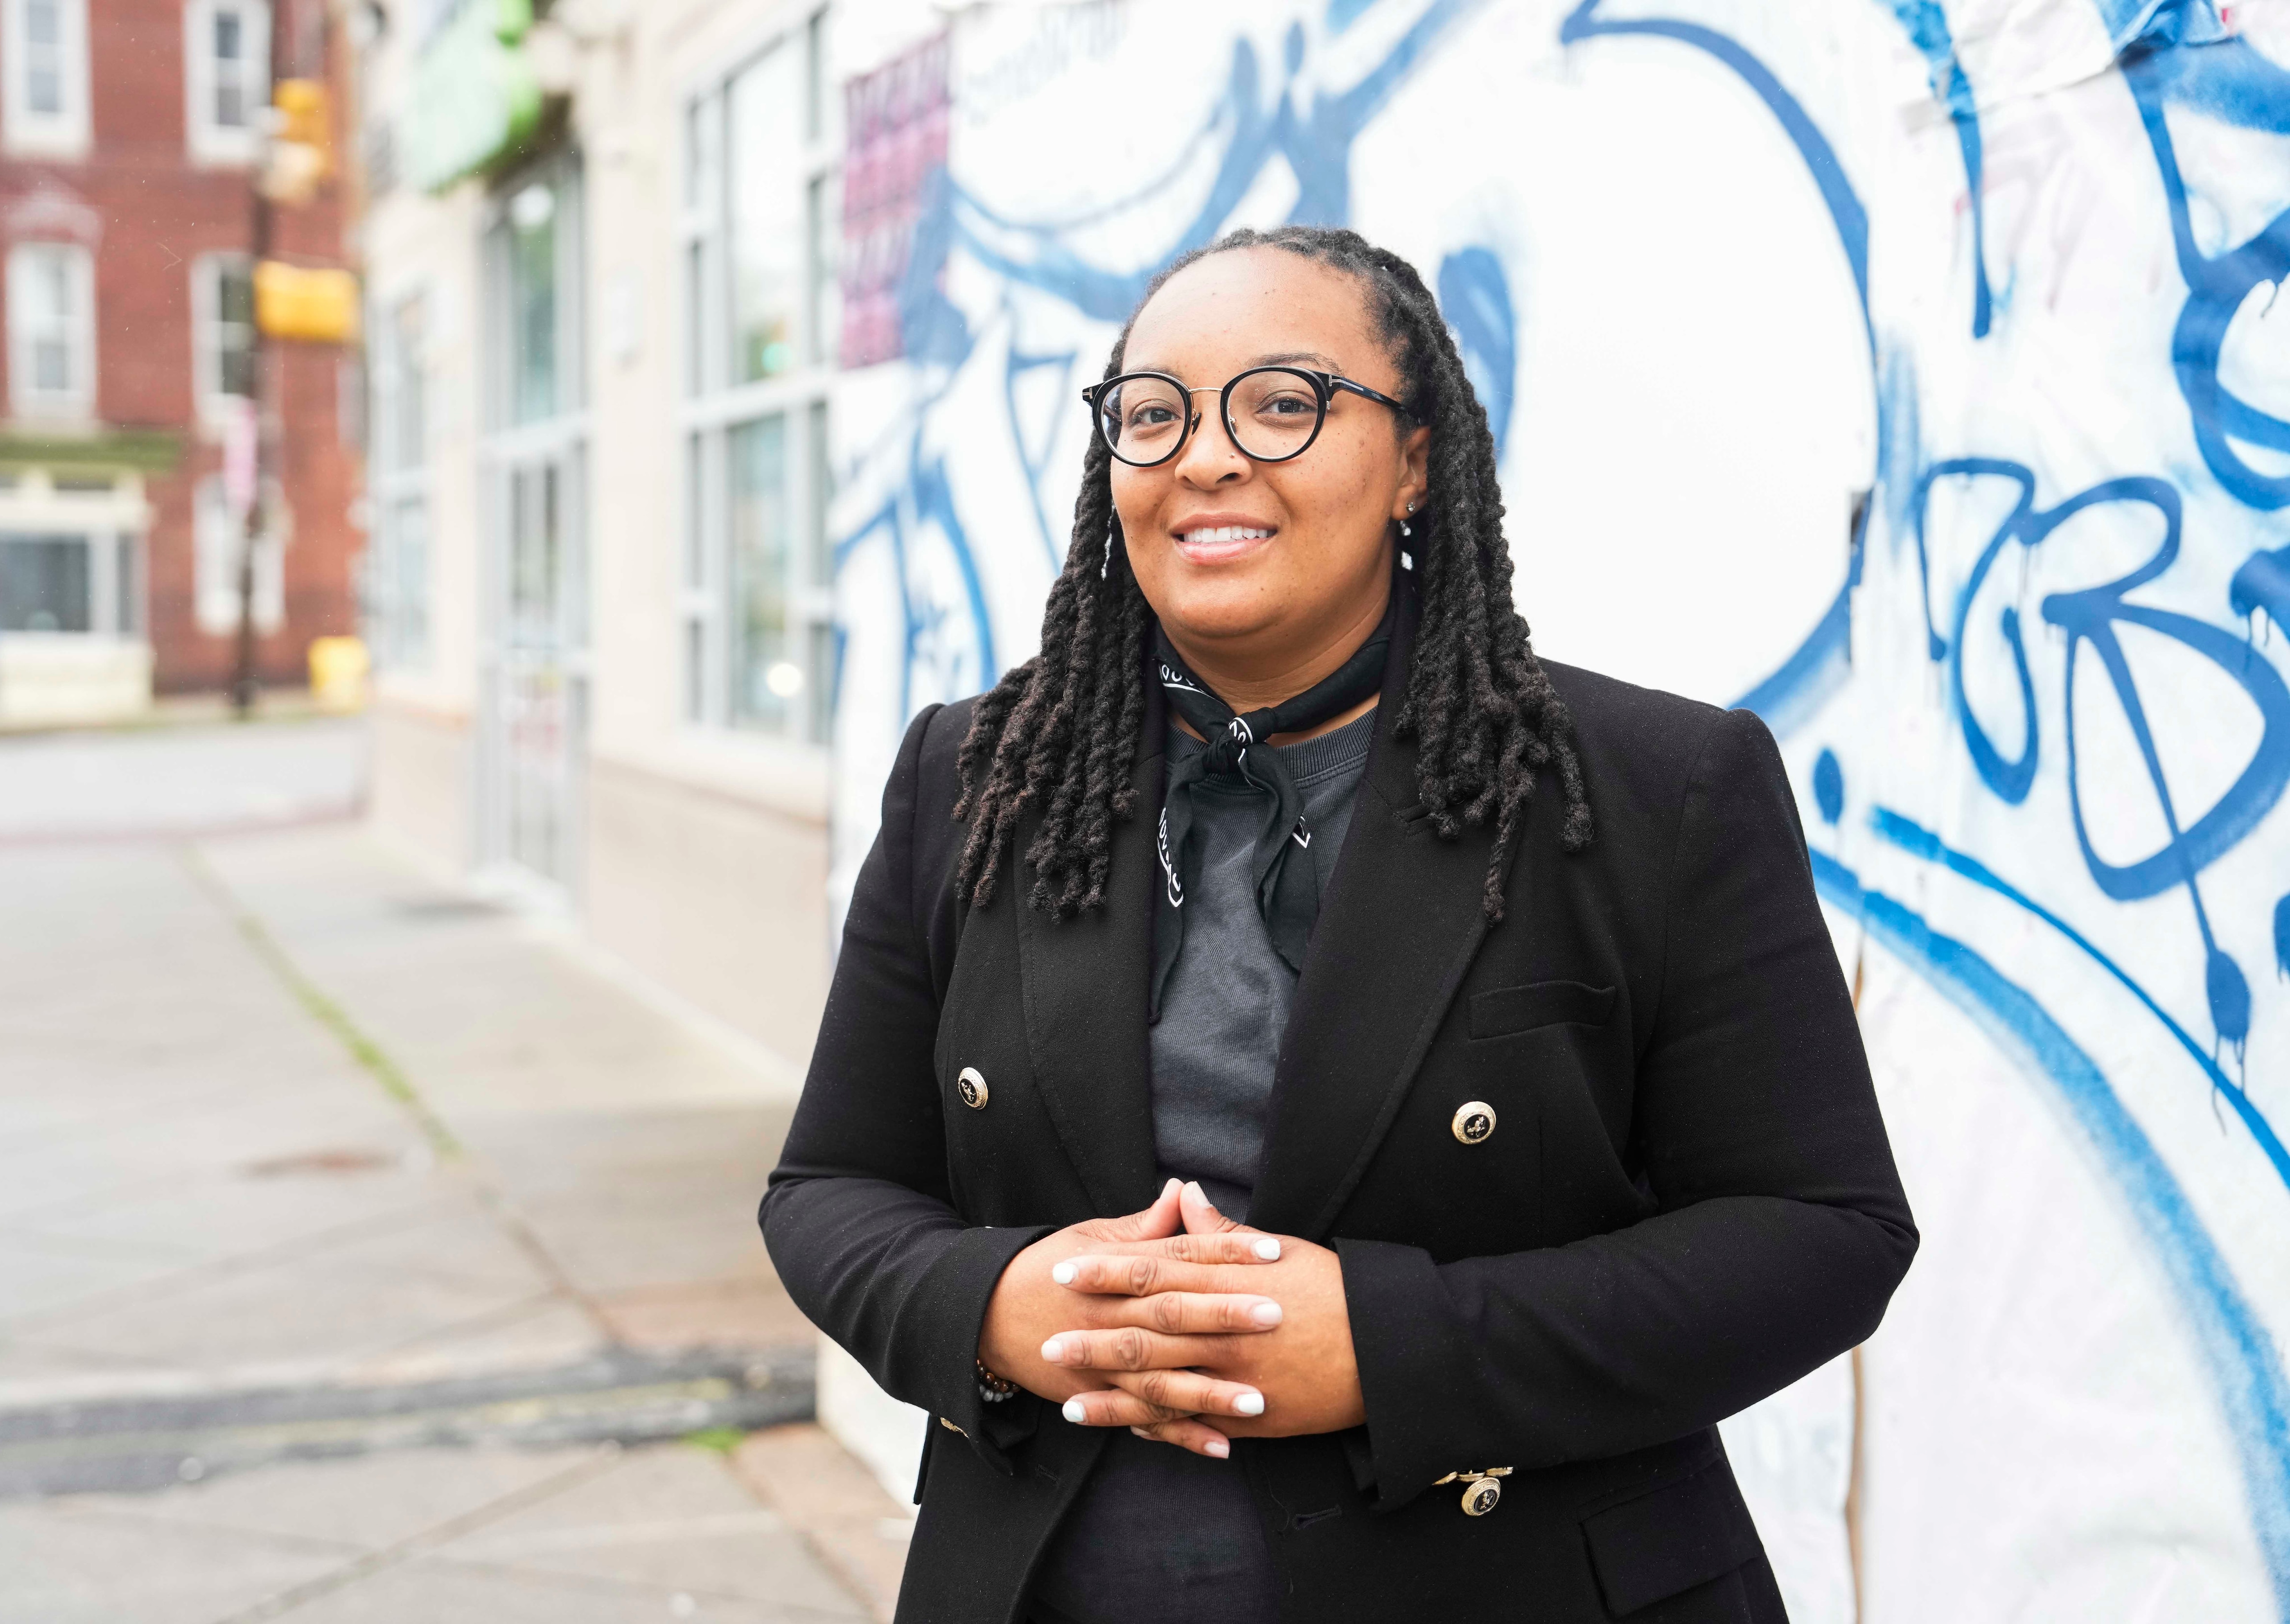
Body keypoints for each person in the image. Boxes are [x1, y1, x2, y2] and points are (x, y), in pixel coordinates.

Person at [761, 225, 1916, 1624]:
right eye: (1153, 414)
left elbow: (1823, 1233)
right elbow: (828, 1188)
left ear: (1416, 458)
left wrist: (1393, 1347)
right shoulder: (978, 779)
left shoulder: (1650, 787)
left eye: (1282, 403)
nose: (1205, 458)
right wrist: (1002, 1304)